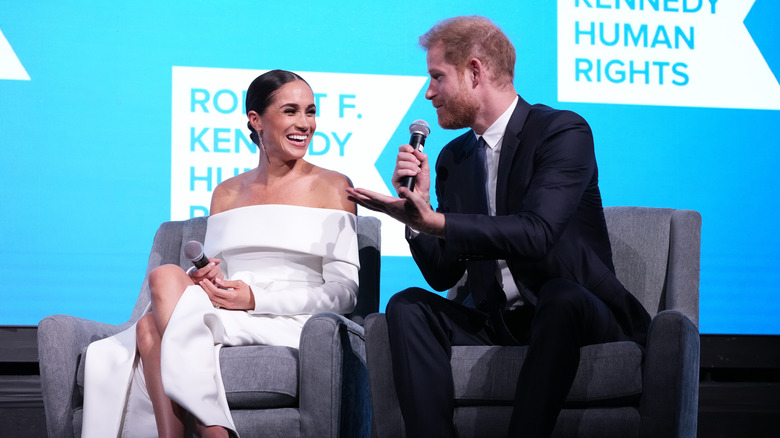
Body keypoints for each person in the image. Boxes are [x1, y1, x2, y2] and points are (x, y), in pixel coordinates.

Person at [346, 16, 651, 437]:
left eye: (437, 77)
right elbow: (443, 273)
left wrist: (437, 221)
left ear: (475, 71)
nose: (429, 93)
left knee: (560, 297)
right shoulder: (454, 158)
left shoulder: (562, 132)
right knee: (408, 305)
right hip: (498, 318)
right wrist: (415, 216)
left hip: (576, 312)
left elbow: (537, 232)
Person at [81, 69, 360, 438]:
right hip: (225, 310)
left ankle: (210, 432)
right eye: (291, 111)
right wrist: (210, 281)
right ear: (255, 120)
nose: (305, 123)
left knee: (153, 326)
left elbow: (345, 292)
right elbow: (217, 271)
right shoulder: (226, 192)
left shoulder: (334, 187)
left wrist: (255, 298)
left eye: (310, 111)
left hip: (294, 318)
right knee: (165, 278)